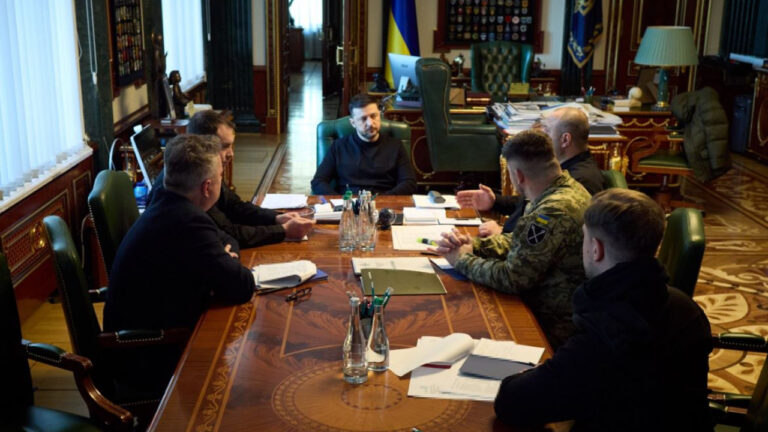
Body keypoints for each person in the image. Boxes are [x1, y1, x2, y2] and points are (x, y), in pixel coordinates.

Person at [494, 189, 712, 431]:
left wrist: (536, 376)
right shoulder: (686, 306)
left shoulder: (606, 330)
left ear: (596, 248)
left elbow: (511, 403)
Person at [104, 134, 256, 398]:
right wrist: (225, 261)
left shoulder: (169, 202)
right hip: (149, 354)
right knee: (244, 376)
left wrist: (220, 259)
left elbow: (224, 242)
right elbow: (242, 286)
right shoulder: (188, 221)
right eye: (221, 176)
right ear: (207, 187)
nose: (222, 181)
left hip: (147, 331)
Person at [434, 130, 591, 349]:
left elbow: (513, 278)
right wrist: (475, 245)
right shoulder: (565, 189)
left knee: (457, 321)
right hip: (552, 307)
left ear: (517, 175)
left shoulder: (552, 211)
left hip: (551, 324)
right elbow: (520, 241)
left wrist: (462, 260)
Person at [148, 110, 315, 249]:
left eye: (231, 145)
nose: (231, 154)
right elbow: (229, 232)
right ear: (204, 145)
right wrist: (283, 231)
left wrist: (276, 218)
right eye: (225, 146)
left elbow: (235, 207)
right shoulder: (192, 181)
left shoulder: (205, 168)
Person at [457, 107, 603, 237]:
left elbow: (545, 234)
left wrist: (502, 234)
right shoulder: (562, 169)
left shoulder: (581, 181)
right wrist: (495, 201)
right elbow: (531, 202)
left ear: (565, 139)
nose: (542, 133)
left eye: (547, 129)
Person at [311, 94, 417, 195]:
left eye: (374, 116)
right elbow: (318, 181)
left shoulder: (396, 146)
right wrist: (340, 202)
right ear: (353, 123)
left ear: (380, 115)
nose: (370, 123)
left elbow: (409, 183)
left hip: (384, 202)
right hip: (348, 202)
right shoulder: (338, 146)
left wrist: (383, 200)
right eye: (363, 119)